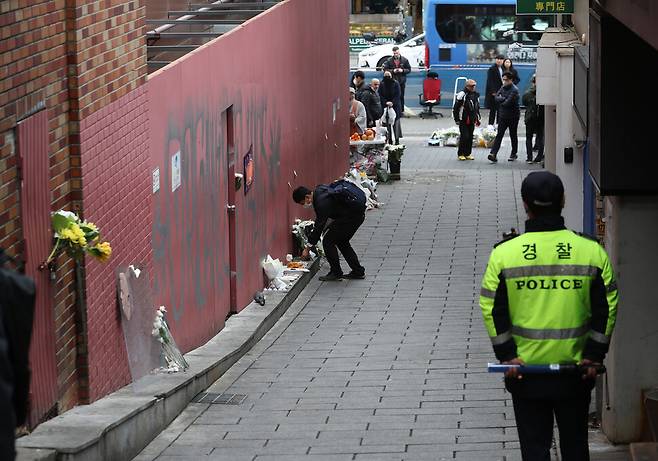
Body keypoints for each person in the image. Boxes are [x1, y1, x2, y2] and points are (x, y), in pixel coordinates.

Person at [479, 171, 618, 461]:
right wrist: (593, 354)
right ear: (563, 201)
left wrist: (507, 356)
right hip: (576, 371)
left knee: (534, 450)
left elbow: (491, 307)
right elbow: (608, 305)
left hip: (525, 372)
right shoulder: (590, 251)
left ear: (525, 204)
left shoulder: (505, 254)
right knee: (575, 447)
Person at [292, 183, 366, 281]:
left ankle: (336, 272)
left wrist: (308, 247)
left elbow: (319, 226)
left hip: (350, 218)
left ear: (307, 197)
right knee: (342, 242)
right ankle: (358, 271)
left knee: (328, 241)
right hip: (355, 216)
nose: (304, 205)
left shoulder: (320, 202)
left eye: (302, 203)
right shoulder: (320, 190)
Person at [487, 71, 520, 163]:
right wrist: (502, 99)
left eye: (506, 80)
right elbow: (496, 97)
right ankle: (493, 153)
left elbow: (507, 103)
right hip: (503, 116)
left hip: (513, 116)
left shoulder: (514, 90)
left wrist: (502, 100)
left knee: (513, 135)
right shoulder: (503, 87)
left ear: (511, 80)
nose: (504, 82)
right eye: (503, 80)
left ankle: (514, 153)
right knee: (499, 135)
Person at [452, 79, 480, 161]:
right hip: (463, 119)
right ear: (467, 86)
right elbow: (456, 108)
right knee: (465, 136)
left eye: (474, 86)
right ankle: (461, 153)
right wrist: (456, 119)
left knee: (470, 136)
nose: (473, 87)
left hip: (472, 119)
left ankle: (468, 153)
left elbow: (476, 107)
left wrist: (477, 118)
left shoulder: (475, 95)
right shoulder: (462, 95)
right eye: (471, 86)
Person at [522, 75, 544, 164]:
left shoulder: (528, 93)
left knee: (529, 137)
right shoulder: (544, 93)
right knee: (540, 137)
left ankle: (529, 157)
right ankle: (539, 157)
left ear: (533, 82)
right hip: (540, 118)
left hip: (530, 118)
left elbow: (524, 102)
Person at [382, 46, 411, 111]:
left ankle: (401, 110)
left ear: (399, 52)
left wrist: (402, 70)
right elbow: (385, 69)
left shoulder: (404, 60)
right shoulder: (389, 60)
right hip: (392, 82)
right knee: (393, 96)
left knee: (401, 96)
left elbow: (409, 69)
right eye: (394, 53)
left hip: (401, 82)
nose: (396, 55)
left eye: (397, 53)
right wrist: (393, 71)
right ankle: (394, 109)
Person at [378, 71, 402, 144]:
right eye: (386, 75)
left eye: (388, 75)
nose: (387, 77)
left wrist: (393, 103)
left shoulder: (396, 83)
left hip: (395, 106)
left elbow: (398, 95)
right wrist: (386, 102)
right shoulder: (382, 84)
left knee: (396, 124)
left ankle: (397, 140)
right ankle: (389, 139)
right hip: (385, 107)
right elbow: (380, 95)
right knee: (386, 124)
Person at [485, 55, 505, 126]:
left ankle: (498, 124)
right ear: (495, 60)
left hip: (503, 92)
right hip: (495, 92)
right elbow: (490, 81)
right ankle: (490, 124)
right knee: (493, 109)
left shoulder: (504, 68)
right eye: (497, 59)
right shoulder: (492, 69)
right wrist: (493, 92)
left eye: (501, 59)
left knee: (500, 109)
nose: (499, 60)